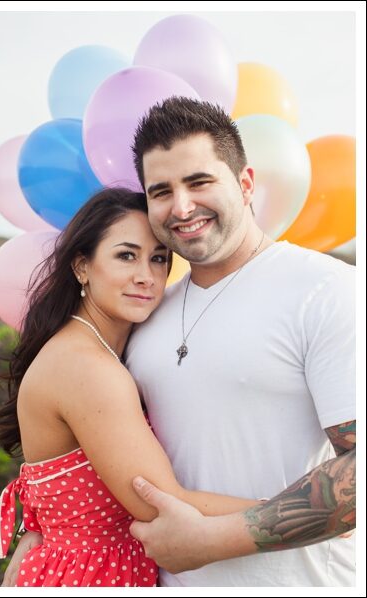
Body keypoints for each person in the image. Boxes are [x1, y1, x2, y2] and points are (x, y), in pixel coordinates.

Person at [123, 97, 356, 586]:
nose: (181, 206)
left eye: (199, 181)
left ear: (245, 183)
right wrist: (42, 528)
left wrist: (213, 541)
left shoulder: (326, 290)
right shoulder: (146, 314)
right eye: (161, 191)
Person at [0, 188, 262, 587]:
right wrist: (296, 511)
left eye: (158, 258)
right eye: (126, 255)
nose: (146, 276)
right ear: (82, 266)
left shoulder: (105, 345)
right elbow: (159, 502)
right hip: (89, 577)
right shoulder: (85, 366)